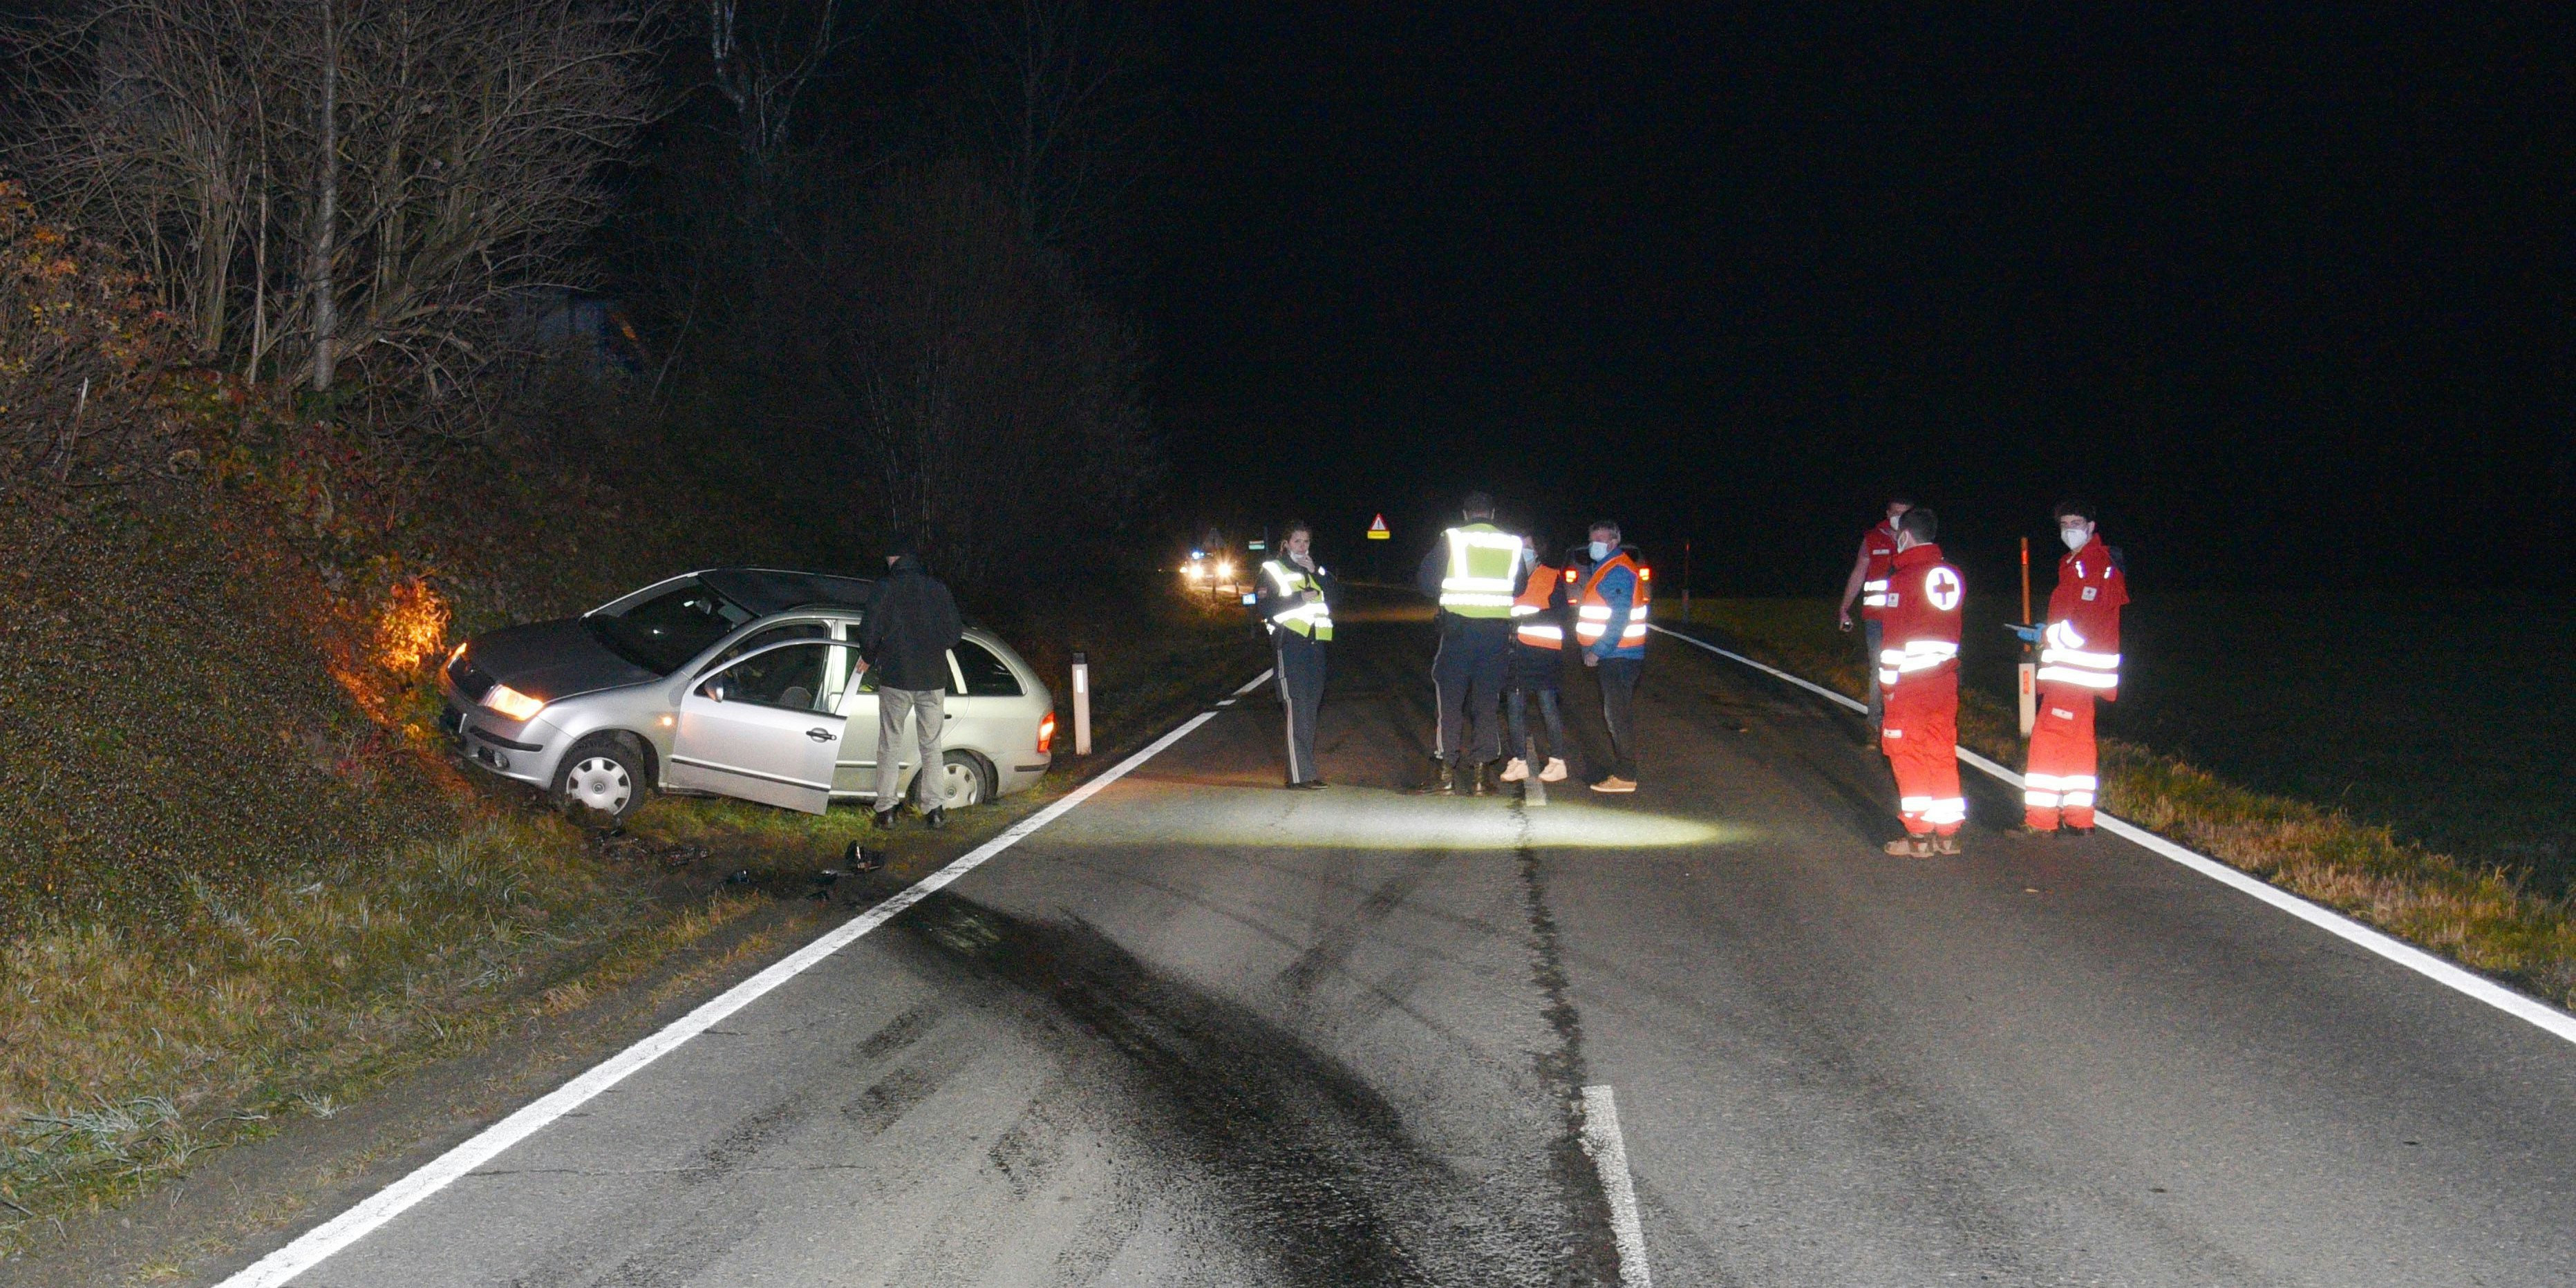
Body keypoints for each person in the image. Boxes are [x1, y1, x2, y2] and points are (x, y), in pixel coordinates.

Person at [2009, 499, 2128, 835]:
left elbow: (2084, 625)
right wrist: (2047, 632)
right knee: (2078, 745)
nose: (2069, 530)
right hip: (2079, 675)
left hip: (2073, 675)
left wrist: (2045, 634)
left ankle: (2041, 820)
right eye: (2064, 525)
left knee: (2047, 741)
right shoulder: (2077, 564)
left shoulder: (2093, 566)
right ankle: (2080, 818)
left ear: (2091, 528)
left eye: (2076, 523)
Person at [1414, 491, 1530, 795]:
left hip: (1458, 634)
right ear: (1492, 513)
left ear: (1466, 514)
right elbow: (1519, 586)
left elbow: (1425, 582)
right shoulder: (1511, 542)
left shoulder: (1452, 538)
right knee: (1486, 704)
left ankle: (1445, 774)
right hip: (1494, 636)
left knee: (1450, 703)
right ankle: (1480, 777)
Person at [1876, 507, 1966, 855]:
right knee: (1941, 751)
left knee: (1907, 753)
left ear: (1906, 536)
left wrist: (1886, 685)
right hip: (1945, 681)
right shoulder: (1954, 575)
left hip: (1911, 685)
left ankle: (1917, 838)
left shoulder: (1902, 579)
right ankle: (1947, 835)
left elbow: (1893, 641)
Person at [858, 544, 963, 830]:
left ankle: (887, 811)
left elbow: (869, 630)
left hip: (896, 679)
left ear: (893, 558)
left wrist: (868, 657)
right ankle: (935, 810)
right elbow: (954, 634)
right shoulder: (937, 589)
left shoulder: (886, 588)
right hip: (932, 679)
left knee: (890, 744)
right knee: (932, 746)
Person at [1254, 520, 1337, 789]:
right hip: (1290, 645)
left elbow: (1337, 596)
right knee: (1296, 707)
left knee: (1310, 709)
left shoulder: (1316, 568)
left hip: (1316, 646)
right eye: (1298, 541)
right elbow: (1265, 606)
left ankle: (1308, 772)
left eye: (1306, 542)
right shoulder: (1273, 569)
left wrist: (1319, 575)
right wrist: (1299, 599)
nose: (1303, 547)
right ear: (1287, 544)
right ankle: (1299, 776)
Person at [1571, 520, 1649, 793]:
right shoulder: (1606, 567)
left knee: (1617, 715)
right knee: (1616, 712)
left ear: (1614, 542)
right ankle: (1624, 770)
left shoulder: (1616, 570)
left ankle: (1626, 775)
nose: (1594, 546)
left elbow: (1618, 617)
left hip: (1619, 655)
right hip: (1618, 655)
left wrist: (1598, 650)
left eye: (1600, 540)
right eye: (1592, 540)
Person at [1838, 495, 1914, 735]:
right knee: (1879, 666)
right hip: (1877, 617)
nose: (1898, 518)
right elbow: (1859, 573)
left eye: (1905, 513)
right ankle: (1875, 718)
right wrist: (1844, 609)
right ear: (1887, 513)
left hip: (1907, 618)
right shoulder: (1872, 538)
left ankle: (1903, 716)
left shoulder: (1916, 537)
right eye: (1895, 513)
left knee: (1909, 668)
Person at [1499, 538, 1572, 786]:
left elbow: (1562, 614)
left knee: (1548, 707)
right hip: (1515, 654)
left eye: (1528, 546)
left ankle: (1557, 761)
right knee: (1514, 707)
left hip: (1544, 654)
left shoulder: (1551, 576)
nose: (1524, 551)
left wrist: (1527, 619)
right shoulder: (1509, 578)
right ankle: (1519, 760)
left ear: (1537, 551)